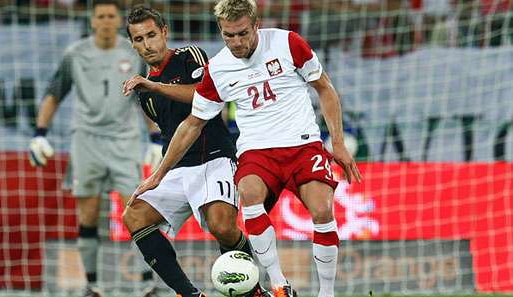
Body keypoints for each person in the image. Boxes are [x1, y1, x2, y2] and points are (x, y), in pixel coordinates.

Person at [132, 0, 363, 297]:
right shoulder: (217, 68)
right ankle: (279, 285)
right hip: (257, 151)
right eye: (229, 35)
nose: (237, 42)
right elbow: (193, 123)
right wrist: (158, 175)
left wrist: (339, 143)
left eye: (242, 33)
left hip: (303, 144)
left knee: (321, 210)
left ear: (256, 25)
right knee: (250, 195)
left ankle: (327, 293)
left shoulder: (288, 43)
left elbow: (324, 88)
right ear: (220, 31)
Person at [122, 6, 271, 297]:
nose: (147, 44)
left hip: (214, 156)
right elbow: (166, 130)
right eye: (139, 39)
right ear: (132, 43)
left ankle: (252, 292)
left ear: (164, 32)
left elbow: (203, 94)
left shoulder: (190, 55)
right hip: (178, 167)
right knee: (134, 215)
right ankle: (188, 294)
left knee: (222, 226)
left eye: (151, 35)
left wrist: (155, 86)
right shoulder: (143, 91)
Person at [28, 1, 162, 296]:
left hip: (124, 141)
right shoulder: (75, 54)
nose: (104, 21)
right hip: (86, 140)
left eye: (110, 16)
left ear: (118, 22)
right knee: (88, 214)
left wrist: (154, 137)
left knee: (136, 211)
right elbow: (54, 94)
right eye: (100, 16)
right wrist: (39, 133)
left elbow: (146, 96)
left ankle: (146, 283)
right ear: (92, 21)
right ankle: (92, 285)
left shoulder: (132, 53)